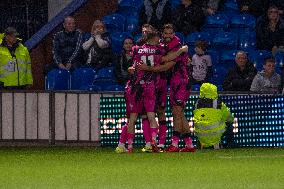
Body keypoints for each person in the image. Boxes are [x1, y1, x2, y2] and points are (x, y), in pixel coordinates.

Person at [115, 31, 189, 153]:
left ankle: (129, 147)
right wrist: (181, 51)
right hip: (150, 86)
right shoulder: (157, 50)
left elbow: (133, 66)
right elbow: (166, 59)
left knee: (133, 118)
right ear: (154, 39)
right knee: (151, 115)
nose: (159, 40)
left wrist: (133, 69)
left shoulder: (137, 49)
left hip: (136, 87)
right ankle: (154, 143)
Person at [193, 83, 234, 149]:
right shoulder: (219, 103)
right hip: (215, 134)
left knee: (198, 122)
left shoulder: (196, 103)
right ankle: (230, 145)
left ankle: (200, 145)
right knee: (229, 123)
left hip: (200, 134)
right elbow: (229, 117)